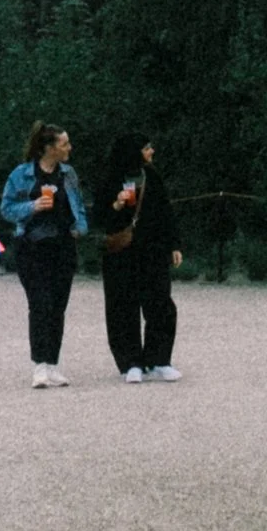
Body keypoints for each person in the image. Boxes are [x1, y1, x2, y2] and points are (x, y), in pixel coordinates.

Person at [0, 120, 87, 390]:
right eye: (64, 144)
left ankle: (53, 363)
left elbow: (79, 205)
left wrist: (80, 228)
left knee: (58, 306)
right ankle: (39, 365)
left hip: (62, 246)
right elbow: (6, 207)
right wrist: (33, 206)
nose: (69, 148)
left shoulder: (68, 174)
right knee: (40, 304)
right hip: (32, 248)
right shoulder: (22, 174)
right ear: (49, 148)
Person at [98, 140, 184, 382]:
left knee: (160, 303)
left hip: (153, 249)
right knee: (123, 306)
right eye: (146, 148)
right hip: (121, 252)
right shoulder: (110, 178)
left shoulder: (151, 176)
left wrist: (174, 244)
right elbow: (98, 217)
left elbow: (166, 211)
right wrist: (116, 205)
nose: (151, 152)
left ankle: (159, 359)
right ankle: (130, 362)